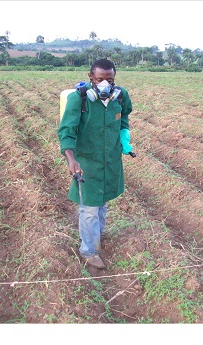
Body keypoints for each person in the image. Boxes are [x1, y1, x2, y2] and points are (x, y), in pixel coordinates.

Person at [58, 58, 133, 269]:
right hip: (88, 162)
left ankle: (98, 236)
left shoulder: (121, 97)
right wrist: (71, 159)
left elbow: (124, 117)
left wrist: (124, 138)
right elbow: (66, 131)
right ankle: (88, 250)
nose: (105, 85)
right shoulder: (79, 100)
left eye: (110, 80)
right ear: (91, 78)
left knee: (103, 202)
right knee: (89, 208)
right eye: (100, 79)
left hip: (110, 161)